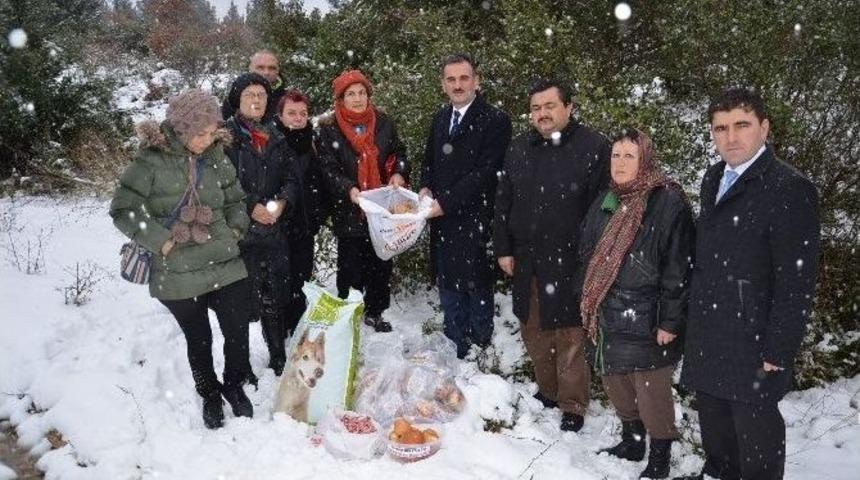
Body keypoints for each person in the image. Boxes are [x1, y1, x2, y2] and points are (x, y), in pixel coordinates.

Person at [675, 88, 821, 480]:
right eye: (720, 128)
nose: (731, 137)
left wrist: (779, 346)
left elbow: (797, 279)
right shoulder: (713, 177)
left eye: (742, 125)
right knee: (717, 438)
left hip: (754, 340)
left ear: (764, 128)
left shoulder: (788, 188)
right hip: (710, 329)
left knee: (756, 444)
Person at [110, 89, 253, 429]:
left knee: (237, 330)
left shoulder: (216, 154)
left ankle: (234, 384)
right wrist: (162, 243)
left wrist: (234, 229)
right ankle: (209, 393)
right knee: (199, 337)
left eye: (212, 132)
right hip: (176, 269)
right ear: (181, 128)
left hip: (222, 258)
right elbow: (123, 209)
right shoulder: (151, 160)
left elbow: (235, 199)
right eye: (200, 133)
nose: (208, 140)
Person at [494, 78, 610, 432]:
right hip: (527, 257)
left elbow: (602, 206)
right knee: (534, 329)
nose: (542, 114)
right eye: (536, 108)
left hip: (572, 258)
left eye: (549, 106)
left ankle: (573, 403)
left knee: (570, 335)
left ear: (569, 107)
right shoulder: (518, 148)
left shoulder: (594, 147)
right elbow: (503, 200)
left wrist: (593, 256)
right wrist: (503, 248)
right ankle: (548, 390)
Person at [578, 129, 695, 478]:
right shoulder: (607, 199)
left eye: (630, 156)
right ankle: (632, 441)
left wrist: (671, 321)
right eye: (616, 156)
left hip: (648, 313)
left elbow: (680, 266)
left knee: (651, 391)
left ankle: (659, 457)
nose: (620, 163)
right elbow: (588, 253)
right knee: (616, 380)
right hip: (608, 309)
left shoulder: (667, 202)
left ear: (646, 160)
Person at [419, 53, 512, 359]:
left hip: (476, 218)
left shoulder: (495, 120)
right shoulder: (440, 117)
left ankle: (480, 347)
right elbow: (430, 161)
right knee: (448, 283)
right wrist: (425, 186)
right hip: (442, 221)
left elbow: (486, 173)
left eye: (464, 78)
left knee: (477, 285)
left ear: (476, 80)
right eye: (451, 79)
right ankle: (454, 343)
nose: (458, 85)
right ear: (443, 84)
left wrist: (445, 202)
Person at [318, 69, 409, 332]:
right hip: (350, 208)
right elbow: (327, 167)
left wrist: (399, 173)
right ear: (340, 98)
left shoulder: (383, 123)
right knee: (351, 265)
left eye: (361, 93)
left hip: (382, 207)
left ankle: (375, 311)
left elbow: (398, 152)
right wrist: (349, 189)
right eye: (350, 94)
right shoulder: (329, 129)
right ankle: (349, 313)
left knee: (381, 263)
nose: (357, 99)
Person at [223, 73, 299, 376]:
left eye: (261, 95)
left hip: (273, 230)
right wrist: (250, 205)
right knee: (239, 301)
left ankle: (277, 354)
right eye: (249, 95)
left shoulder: (275, 135)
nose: (256, 100)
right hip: (239, 232)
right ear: (238, 101)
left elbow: (292, 178)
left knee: (275, 294)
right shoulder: (225, 136)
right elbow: (222, 183)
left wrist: (282, 202)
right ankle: (240, 366)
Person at [275, 90, 331, 334]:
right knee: (279, 281)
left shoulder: (314, 141)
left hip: (306, 225)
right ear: (280, 115)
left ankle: (296, 329)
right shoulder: (271, 141)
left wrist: (320, 213)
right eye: (291, 113)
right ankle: (277, 335)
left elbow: (324, 179)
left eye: (303, 113)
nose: (298, 118)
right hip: (277, 225)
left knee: (301, 279)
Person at [222, 50, 286, 121]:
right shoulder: (234, 98)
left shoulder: (288, 99)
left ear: (278, 70)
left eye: (271, 68)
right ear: (250, 69)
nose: (266, 72)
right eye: (260, 67)